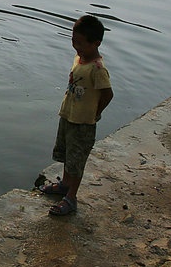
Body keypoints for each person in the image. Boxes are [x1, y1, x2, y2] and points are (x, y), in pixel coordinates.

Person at [38, 15, 114, 216]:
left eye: (80, 43)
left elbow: (108, 94)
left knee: (77, 160)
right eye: (74, 41)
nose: (76, 47)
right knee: (67, 155)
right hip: (69, 116)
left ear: (95, 43)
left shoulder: (98, 69)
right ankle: (64, 184)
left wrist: (95, 114)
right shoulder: (79, 59)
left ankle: (71, 197)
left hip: (83, 122)